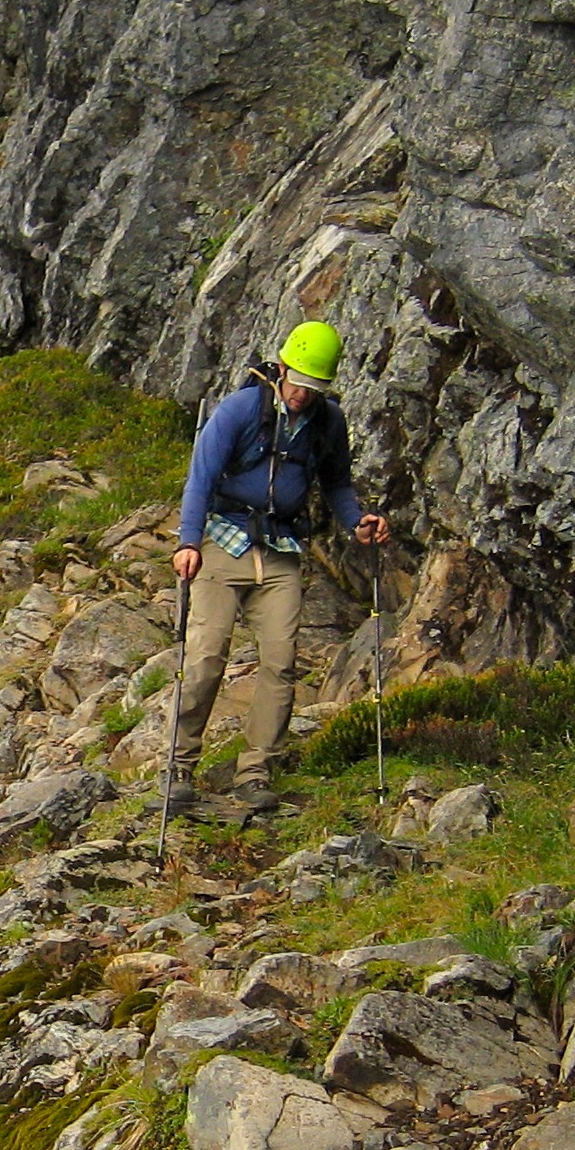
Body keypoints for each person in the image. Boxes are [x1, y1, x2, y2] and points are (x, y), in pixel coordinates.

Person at [165, 319, 390, 819]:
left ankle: (256, 772)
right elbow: (200, 477)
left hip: (281, 548)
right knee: (205, 655)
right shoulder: (241, 409)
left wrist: (358, 522)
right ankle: (179, 766)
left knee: (280, 662)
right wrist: (187, 542)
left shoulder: (329, 422)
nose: (302, 396)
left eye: (313, 389)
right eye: (297, 384)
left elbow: (337, 484)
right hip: (222, 542)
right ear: (281, 367)